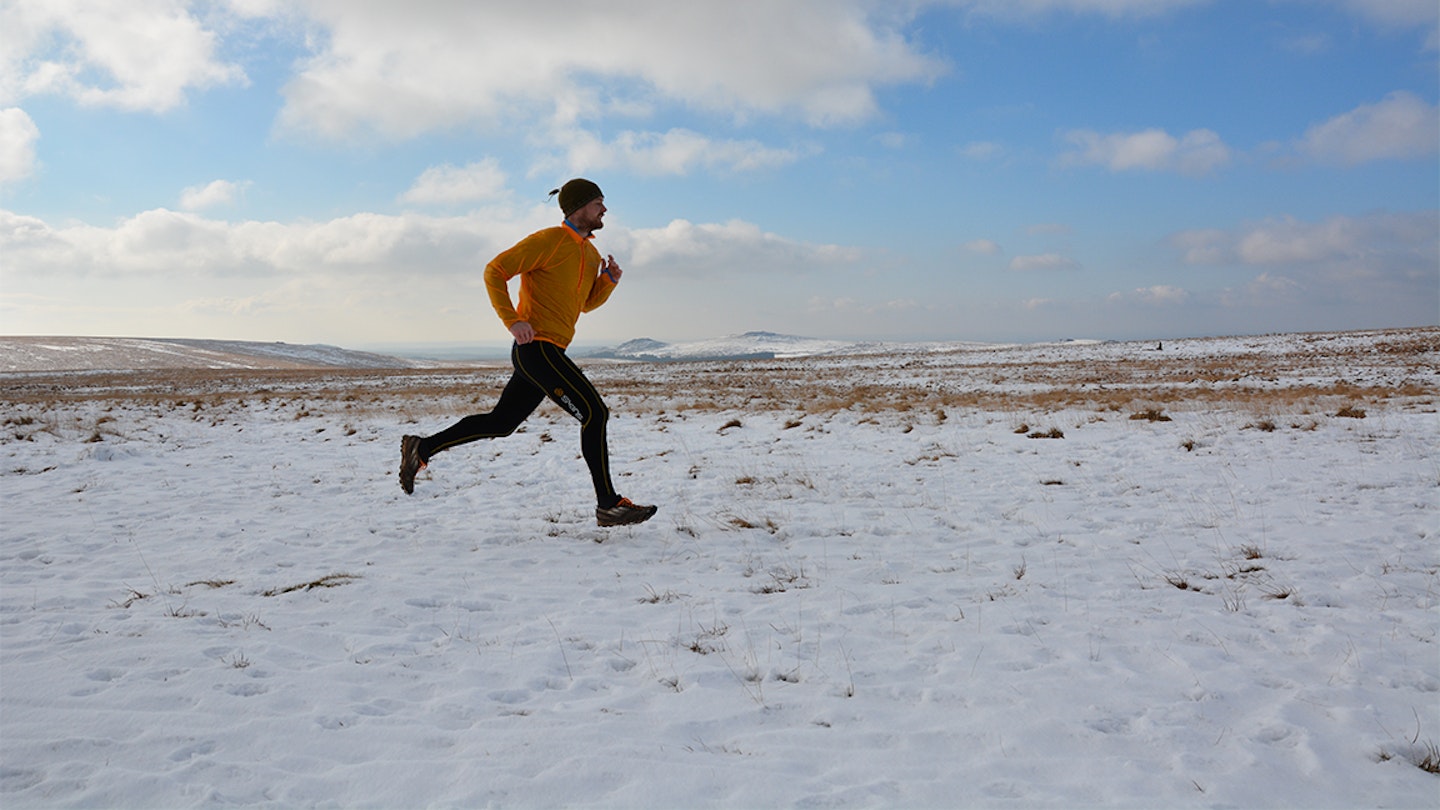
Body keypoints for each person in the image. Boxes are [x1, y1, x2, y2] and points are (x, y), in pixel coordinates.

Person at [399, 178, 657, 527]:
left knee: (501, 423)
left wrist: (608, 281)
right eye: (599, 202)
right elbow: (495, 271)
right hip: (536, 347)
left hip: (549, 351)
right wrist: (513, 320)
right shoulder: (548, 241)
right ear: (579, 207)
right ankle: (608, 504)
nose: (604, 209)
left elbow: (583, 305)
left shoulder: (591, 253)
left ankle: (421, 448)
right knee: (595, 414)